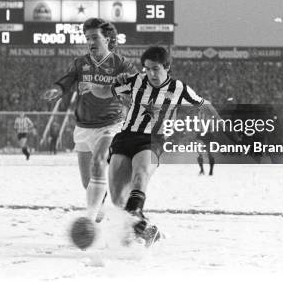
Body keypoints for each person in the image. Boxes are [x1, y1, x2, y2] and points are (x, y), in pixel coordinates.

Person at [88, 46, 221, 246]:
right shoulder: (135, 82)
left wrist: (220, 122)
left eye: (155, 68)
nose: (151, 73)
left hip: (152, 141)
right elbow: (106, 92)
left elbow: (204, 103)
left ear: (167, 67)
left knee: (140, 175)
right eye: (147, 69)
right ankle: (149, 230)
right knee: (117, 199)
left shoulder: (179, 89)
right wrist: (89, 84)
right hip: (125, 138)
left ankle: (136, 213)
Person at [43, 18, 137, 222]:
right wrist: (57, 90)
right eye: (87, 38)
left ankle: (90, 220)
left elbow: (137, 85)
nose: (90, 42)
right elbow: (67, 80)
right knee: (88, 182)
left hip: (111, 124)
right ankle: (101, 210)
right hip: (83, 127)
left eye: (95, 37)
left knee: (98, 162)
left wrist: (126, 90)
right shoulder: (81, 63)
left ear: (109, 39)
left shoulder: (121, 63)